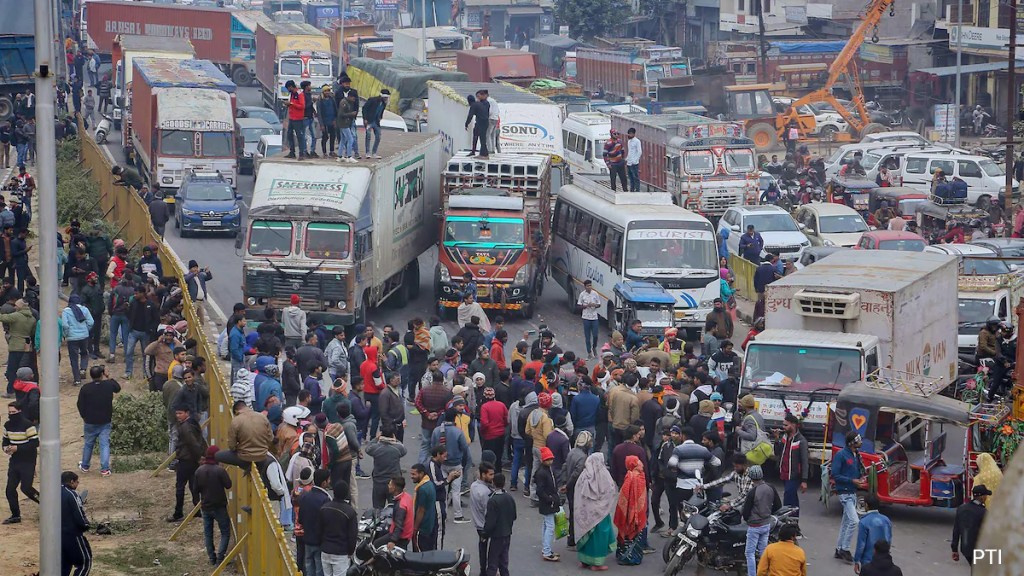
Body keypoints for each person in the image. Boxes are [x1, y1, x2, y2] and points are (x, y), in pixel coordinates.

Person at [573, 452, 617, 571]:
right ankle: (597, 563)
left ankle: (584, 561)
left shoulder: (584, 475)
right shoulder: (603, 474)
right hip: (600, 513)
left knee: (585, 535)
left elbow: (577, 493)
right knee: (599, 537)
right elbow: (610, 490)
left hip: (585, 513)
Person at [77, 366, 120, 476]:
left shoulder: (86, 388)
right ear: (102, 374)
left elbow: (80, 404)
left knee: (88, 444)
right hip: (105, 420)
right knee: (104, 445)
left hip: (90, 421)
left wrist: (84, 417)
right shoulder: (108, 385)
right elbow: (118, 388)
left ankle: (85, 466)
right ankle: (105, 469)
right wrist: (108, 376)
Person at [168, 403, 206, 522]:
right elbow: (200, 440)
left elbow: (192, 443)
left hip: (187, 460)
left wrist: (199, 457)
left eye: (180, 413)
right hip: (192, 460)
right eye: (177, 413)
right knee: (193, 486)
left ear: (187, 413)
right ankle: (197, 510)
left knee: (180, 486)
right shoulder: (193, 423)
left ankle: (178, 513)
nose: (178, 415)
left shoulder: (185, 427)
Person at [195, 445, 232, 566]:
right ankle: (221, 557)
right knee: (225, 532)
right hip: (219, 506)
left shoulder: (199, 471)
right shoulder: (219, 470)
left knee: (208, 533)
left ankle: (212, 558)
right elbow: (228, 485)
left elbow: (195, 490)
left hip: (205, 506)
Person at [832, 431, 866, 562]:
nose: (860, 441)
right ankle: (845, 549)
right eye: (858, 439)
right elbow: (835, 474)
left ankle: (839, 548)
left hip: (852, 491)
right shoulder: (841, 455)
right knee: (854, 521)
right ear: (852, 442)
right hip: (845, 492)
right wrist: (852, 481)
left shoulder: (856, 455)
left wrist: (860, 478)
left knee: (846, 522)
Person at [3, 400, 38, 524]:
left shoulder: (28, 425)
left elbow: (35, 443)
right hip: (15, 461)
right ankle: (15, 515)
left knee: (26, 488)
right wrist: (6, 449)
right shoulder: (7, 425)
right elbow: (5, 441)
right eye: (9, 412)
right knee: (10, 489)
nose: (11, 414)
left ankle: (46, 505)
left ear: (19, 411)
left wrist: (18, 448)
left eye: (14, 412)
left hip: (28, 461)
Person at [742, 465, 780, 576]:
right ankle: (765, 572)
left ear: (751, 477)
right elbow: (778, 505)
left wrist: (747, 519)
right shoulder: (770, 487)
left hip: (754, 526)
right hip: (766, 524)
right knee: (763, 551)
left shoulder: (753, 492)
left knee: (750, 553)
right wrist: (768, 512)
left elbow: (745, 512)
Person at [613, 455, 648, 565]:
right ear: (634, 465)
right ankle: (630, 557)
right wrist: (631, 512)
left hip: (636, 511)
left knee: (632, 533)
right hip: (631, 512)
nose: (641, 464)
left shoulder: (638, 476)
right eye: (638, 462)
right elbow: (626, 496)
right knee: (633, 532)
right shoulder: (632, 477)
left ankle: (626, 555)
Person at [320, 480, 358, 576]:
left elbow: (319, 529)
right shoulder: (350, 512)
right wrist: (350, 551)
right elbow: (352, 535)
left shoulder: (324, 508)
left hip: (325, 550)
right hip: (340, 552)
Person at [365, 426, 407, 511]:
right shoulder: (397, 448)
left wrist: (376, 439)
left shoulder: (376, 448)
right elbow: (404, 449)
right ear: (393, 435)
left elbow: (367, 448)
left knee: (377, 508)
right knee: (394, 507)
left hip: (378, 482)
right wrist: (396, 440)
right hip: (394, 483)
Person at [298, 469, 332, 575]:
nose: (330, 481)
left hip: (307, 538)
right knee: (319, 568)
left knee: (309, 566)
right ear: (324, 482)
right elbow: (327, 522)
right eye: (328, 479)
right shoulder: (325, 499)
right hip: (319, 541)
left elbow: (301, 519)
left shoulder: (305, 496)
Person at [483, 472, 515, 576]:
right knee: (504, 562)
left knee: (492, 563)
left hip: (497, 535)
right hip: (507, 533)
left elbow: (490, 521)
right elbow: (514, 516)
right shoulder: (509, 498)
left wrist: (485, 533)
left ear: (493, 482)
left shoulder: (493, 500)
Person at [775, 413, 808, 515]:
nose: (783, 427)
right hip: (784, 473)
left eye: (786, 425)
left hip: (794, 475)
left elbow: (804, 461)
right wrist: (776, 439)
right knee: (792, 498)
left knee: (788, 497)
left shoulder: (801, 441)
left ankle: (788, 520)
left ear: (793, 425)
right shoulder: (784, 437)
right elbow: (777, 452)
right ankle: (793, 522)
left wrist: (804, 480)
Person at [61, 471, 92, 575]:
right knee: (85, 563)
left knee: (64, 566)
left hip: (56, 537)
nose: (77, 484)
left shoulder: (52, 492)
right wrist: (85, 525)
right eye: (77, 482)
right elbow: (78, 514)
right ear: (71, 481)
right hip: (73, 535)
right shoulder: (72, 494)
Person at [952, 484, 990, 565]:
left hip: (965, 549)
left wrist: (954, 549)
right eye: (986, 495)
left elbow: (956, 530)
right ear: (982, 497)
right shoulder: (983, 512)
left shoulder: (961, 508)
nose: (986, 497)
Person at [854, 494, 892, 572]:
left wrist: (857, 560)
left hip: (868, 561)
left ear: (867, 505)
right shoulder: (886, 520)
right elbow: (889, 539)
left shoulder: (864, 522)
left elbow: (861, 544)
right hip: (884, 559)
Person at [535, 446, 560, 562]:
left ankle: (546, 548)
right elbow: (539, 491)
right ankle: (547, 551)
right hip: (548, 503)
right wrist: (549, 499)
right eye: (548, 459)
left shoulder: (544, 470)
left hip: (548, 503)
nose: (550, 461)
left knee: (546, 525)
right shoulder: (543, 472)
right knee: (550, 527)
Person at [62, 294, 94, 386]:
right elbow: (91, 322)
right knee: (84, 353)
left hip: (72, 338)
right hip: (84, 336)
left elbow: (65, 325)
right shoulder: (85, 309)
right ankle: (83, 369)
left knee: (74, 359)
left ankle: (77, 379)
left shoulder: (66, 311)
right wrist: (86, 330)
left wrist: (67, 334)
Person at [471, 462, 496, 575]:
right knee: (492, 550)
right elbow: (489, 512)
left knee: (482, 548)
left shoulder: (474, 486)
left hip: (478, 524)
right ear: (483, 474)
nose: (492, 477)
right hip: (486, 525)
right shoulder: (485, 492)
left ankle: (483, 570)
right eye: (490, 474)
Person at [378, 475, 414, 550]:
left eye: (390, 484)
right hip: (407, 534)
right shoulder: (407, 496)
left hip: (401, 537)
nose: (388, 486)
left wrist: (393, 541)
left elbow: (399, 526)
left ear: (394, 487)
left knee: (376, 545)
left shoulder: (401, 506)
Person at [410, 463, 438, 551]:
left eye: (414, 474)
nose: (411, 476)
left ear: (421, 473)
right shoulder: (429, 484)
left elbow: (421, 510)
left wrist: (415, 528)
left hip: (423, 528)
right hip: (430, 525)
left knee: (420, 553)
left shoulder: (422, 489)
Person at [362, 90, 390, 159]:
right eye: (385, 97)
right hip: (369, 121)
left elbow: (381, 111)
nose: (386, 99)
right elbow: (364, 108)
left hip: (376, 122)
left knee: (378, 136)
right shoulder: (372, 100)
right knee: (368, 136)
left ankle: (374, 152)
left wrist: (380, 117)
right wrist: (365, 118)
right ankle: (367, 153)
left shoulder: (384, 103)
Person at [577, 279, 601, 359]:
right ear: (585, 287)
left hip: (594, 317)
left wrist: (594, 305)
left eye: (590, 285)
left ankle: (594, 347)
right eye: (588, 286)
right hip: (586, 317)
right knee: (587, 337)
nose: (589, 287)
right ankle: (589, 352)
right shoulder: (582, 295)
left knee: (595, 335)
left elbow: (599, 304)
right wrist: (586, 306)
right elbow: (579, 306)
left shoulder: (595, 294)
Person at [183, 260, 213, 325]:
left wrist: (208, 272)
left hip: (201, 301)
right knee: (193, 319)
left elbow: (209, 277)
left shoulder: (201, 276)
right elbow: (185, 279)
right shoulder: (188, 276)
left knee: (201, 320)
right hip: (194, 301)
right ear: (190, 269)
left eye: (196, 267)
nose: (195, 269)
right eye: (193, 268)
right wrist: (193, 274)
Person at [284, 80, 308, 159]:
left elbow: (302, 106)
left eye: (288, 88)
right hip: (292, 118)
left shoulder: (299, 94)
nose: (288, 90)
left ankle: (301, 154)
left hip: (298, 118)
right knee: (289, 135)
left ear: (291, 87)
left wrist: (291, 104)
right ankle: (292, 152)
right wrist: (288, 105)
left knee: (299, 136)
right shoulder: (292, 94)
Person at [466, 90, 491, 158]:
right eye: (477, 97)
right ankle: (475, 152)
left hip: (482, 122)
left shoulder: (483, 103)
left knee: (482, 139)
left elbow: (470, 116)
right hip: (480, 122)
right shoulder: (479, 103)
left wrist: (466, 124)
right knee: (476, 136)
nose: (478, 98)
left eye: (478, 96)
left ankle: (485, 155)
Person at [625, 127, 642, 192]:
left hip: (634, 163)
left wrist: (635, 160)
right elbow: (630, 152)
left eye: (630, 134)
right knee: (630, 177)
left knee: (636, 177)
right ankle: (632, 189)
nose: (629, 135)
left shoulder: (637, 141)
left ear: (634, 134)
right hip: (629, 162)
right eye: (628, 134)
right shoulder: (629, 141)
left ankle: (637, 190)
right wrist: (627, 159)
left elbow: (639, 151)